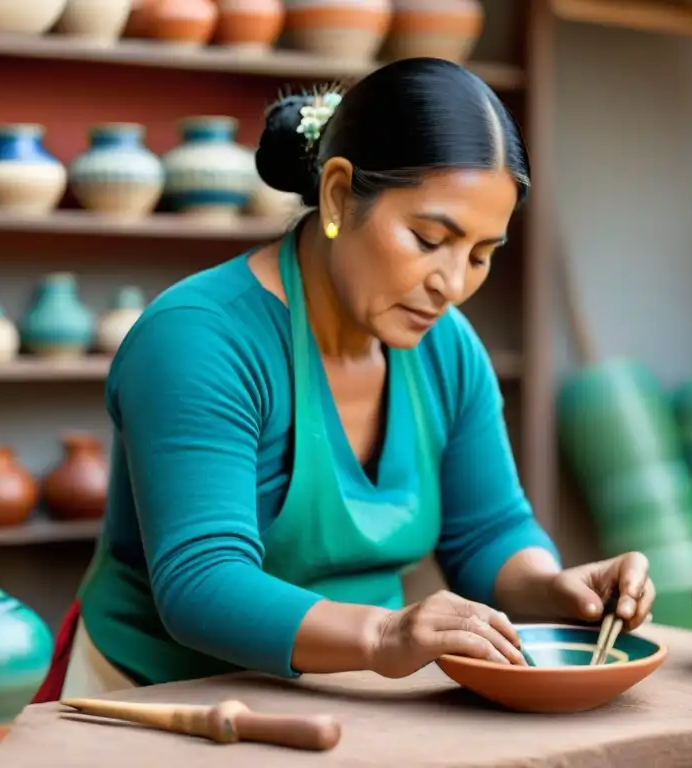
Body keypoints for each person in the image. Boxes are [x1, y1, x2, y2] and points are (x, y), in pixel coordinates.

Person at [33, 57, 655, 702]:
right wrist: (385, 635)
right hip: (158, 703)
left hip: (355, 700)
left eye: (479, 255)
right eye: (427, 237)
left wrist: (555, 589)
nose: (452, 284)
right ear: (336, 195)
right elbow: (203, 582)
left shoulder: (445, 346)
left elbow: (488, 530)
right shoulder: (199, 338)